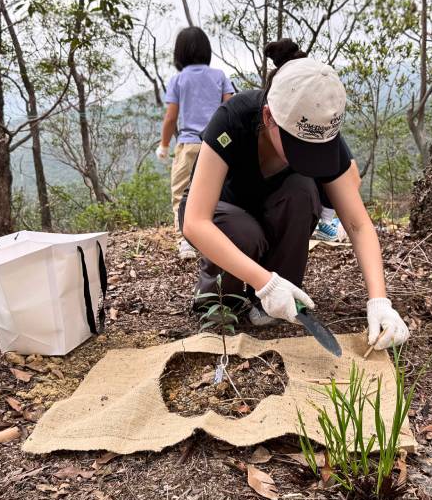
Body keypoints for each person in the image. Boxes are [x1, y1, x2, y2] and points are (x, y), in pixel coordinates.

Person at [179, 39, 409, 350]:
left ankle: (277, 300)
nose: (309, 155)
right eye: (299, 147)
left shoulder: (322, 130)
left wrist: (380, 301)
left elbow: (357, 223)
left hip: (273, 212)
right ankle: (222, 299)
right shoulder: (233, 119)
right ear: (268, 117)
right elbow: (195, 221)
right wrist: (264, 282)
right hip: (224, 213)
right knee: (244, 232)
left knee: (303, 190)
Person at [157, 26, 235, 260]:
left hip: (189, 144)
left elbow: (171, 117)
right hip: (218, 145)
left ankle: (186, 242)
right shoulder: (219, 76)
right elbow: (230, 109)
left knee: (181, 194)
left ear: (179, 54)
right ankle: (218, 237)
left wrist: (164, 145)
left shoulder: (178, 80)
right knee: (219, 192)